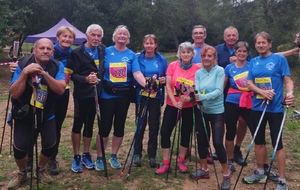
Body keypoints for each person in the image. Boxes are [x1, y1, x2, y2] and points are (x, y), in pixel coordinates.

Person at [7, 38, 66, 189]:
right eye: (42, 48)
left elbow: (60, 89)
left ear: (53, 52)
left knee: (50, 145)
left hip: (47, 113)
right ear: (34, 50)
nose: (45, 51)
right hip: (24, 112)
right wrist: (25, 73)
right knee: (19, 148)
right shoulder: (22, 64)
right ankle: (22, 172)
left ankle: (40, 169)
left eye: (49, 49)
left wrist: (45, 75)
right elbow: (14, 93)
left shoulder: (58, 65)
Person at [243, 32, 294, 190]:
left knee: (277, 143)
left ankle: (282, 180)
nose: (261, 45)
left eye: (264, 42)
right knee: (258, 141)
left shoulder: (279, 59)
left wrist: (290, 94)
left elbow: (287, 80)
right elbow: (249, 83)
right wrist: (262, 91)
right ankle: (260, 171)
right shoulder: (254, 61)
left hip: (275, 108)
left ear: (270, 44)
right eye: (258, 43)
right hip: (257, 107)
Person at [94, 25, 146, 171]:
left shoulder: (131, 55)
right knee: (104, 127)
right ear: (115, 36)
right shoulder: (105, 51)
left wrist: (146, 84)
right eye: (120, 34)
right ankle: (99, 156)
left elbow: (136, 73)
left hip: (123, 96)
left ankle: (113, 155)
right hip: (107, 95)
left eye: (125, 34)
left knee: (119, 126)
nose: (122, 36)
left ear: (127, 38)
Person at [155, 41, 200, 175]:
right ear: (179, 54)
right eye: (183, 52)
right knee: (165, 132)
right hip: (172, 104)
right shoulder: (172, 66)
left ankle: (181, 160)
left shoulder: (197, 69)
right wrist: (174, 102)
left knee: (185, 132)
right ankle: (166, 162)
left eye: (188, 52)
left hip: (189, 106)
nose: (185, 54)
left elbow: (197, 88)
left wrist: (190, 97)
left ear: (193, 54)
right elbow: (168, 86)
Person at [191, 46, 231, 190]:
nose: (206, 59)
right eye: (204, 56)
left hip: (217, 112)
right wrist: (195, 95)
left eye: (209, 56)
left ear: (214, 57)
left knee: (217, 142)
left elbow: (219, 91)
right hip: (201, 110)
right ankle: (204, 170)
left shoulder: (220, 71)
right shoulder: (199, 72)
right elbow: (198, 88)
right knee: (202, 140)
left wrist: (201, 97)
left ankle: (226, 174)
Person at [69, 24, 105, 173]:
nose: (96, 38)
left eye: (98, 35)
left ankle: (86, 153)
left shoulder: (103, 49)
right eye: (93, 35)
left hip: (97, 94)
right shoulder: (77, 52)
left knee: (90, 124)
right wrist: (85, 79)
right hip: (82, 94)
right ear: (87, 35)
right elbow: (72, 75)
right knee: (78, 123)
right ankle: (76, 155)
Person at [214, 26, 251, 166]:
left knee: (243, 122)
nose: (231, 37)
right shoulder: (218, 49)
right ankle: (223, 153)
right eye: (228, 35)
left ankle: (237, 150)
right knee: (227, 125)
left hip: (246, 97)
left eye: (233, 35)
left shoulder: (249, 58)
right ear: (225, 37)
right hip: (227, 96)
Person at [132, 34, 168, 168]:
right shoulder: (138, 58)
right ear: (143, 44)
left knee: (154, 126)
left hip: (156, 97)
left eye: (151, 43)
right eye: (146, 43)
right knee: (140, 125)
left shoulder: (161, 59)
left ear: (156, 45)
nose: (149, 45)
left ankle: (152, 155)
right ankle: (137, 153)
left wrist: (163, 80)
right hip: (141, 96)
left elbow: (165, 76)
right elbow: (134, 74)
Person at [47, 26, 75, 175]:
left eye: (70, 37)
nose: (67, 39)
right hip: (46, 93)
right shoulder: (49, 51)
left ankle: (52, 158)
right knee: (39, 125)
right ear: (57, 38)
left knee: (57, 126)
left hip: (63, 93)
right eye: (64, 36)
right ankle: (30, 159)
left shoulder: (73, 54)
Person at [223, 41, 254, 173]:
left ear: (248, 53)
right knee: (230, 130)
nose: (241, 54)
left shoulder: (252, 66)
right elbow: (223, 86)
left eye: (244, 51)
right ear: (235, 52)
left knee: (243, 122)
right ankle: (229, 159)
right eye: (239, 51)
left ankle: (237, 149)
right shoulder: (229, 68)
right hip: (231, 101)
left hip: (247, 100)